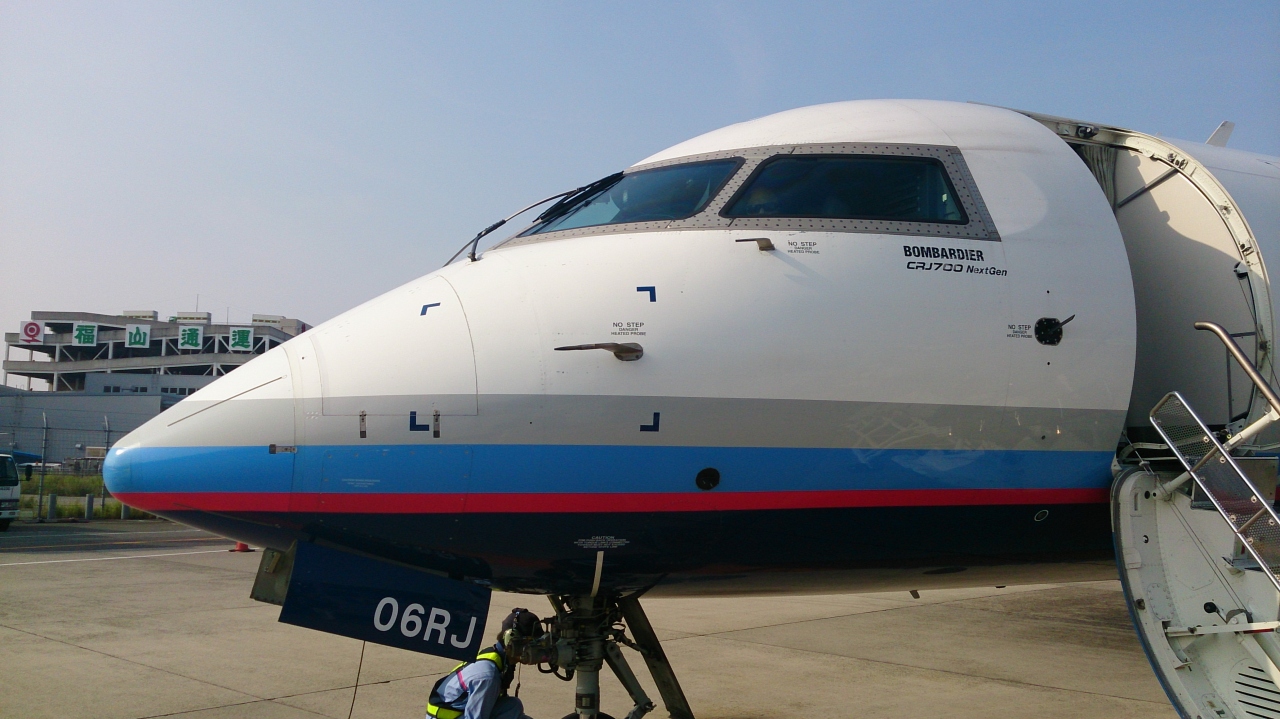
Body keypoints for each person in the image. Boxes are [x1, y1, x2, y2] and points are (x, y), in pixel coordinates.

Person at [426, 608, 540, 719]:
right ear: (512, 641)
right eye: (532, 643)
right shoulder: (487, 677)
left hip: (458, 712)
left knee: (512, 706)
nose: (537, 650)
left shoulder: (498, 658)